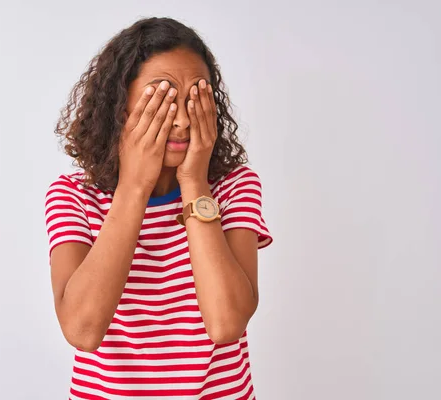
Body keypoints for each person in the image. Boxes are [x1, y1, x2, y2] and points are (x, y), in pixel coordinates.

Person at [44, 16, 273, 400]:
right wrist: (135, 186)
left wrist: (194, 184)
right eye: (162, 98)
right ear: (121, 108)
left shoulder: (234, 187)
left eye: (196, 98)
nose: (183, 120)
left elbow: (226, 323)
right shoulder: (73, 196)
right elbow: (83, 331)